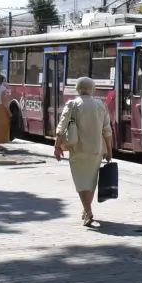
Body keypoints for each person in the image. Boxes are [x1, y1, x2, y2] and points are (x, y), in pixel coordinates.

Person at [54, 77, 113, 226]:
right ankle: (86, 209)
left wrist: (57, 146)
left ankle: (88, 211)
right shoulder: (101, 105)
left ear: (78, 89)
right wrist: (109, 150)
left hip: (77, 149)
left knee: (80, 181)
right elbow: (107, 130)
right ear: (92, 88)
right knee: (91, 181)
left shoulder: (73, 104)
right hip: (96, 149)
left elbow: (61, 126)